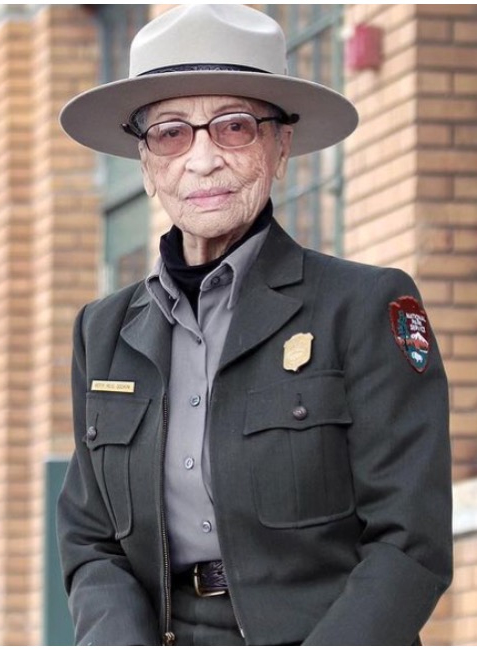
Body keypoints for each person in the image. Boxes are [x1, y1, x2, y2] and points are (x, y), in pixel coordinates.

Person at [57, 5, 452, 646]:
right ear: (146, 163)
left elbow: (411, 543)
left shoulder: (364, 305)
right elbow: (91, 540)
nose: (203, 159)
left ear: (280, 145)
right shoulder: (101, 332)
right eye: (171, 134)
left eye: (234, 127)